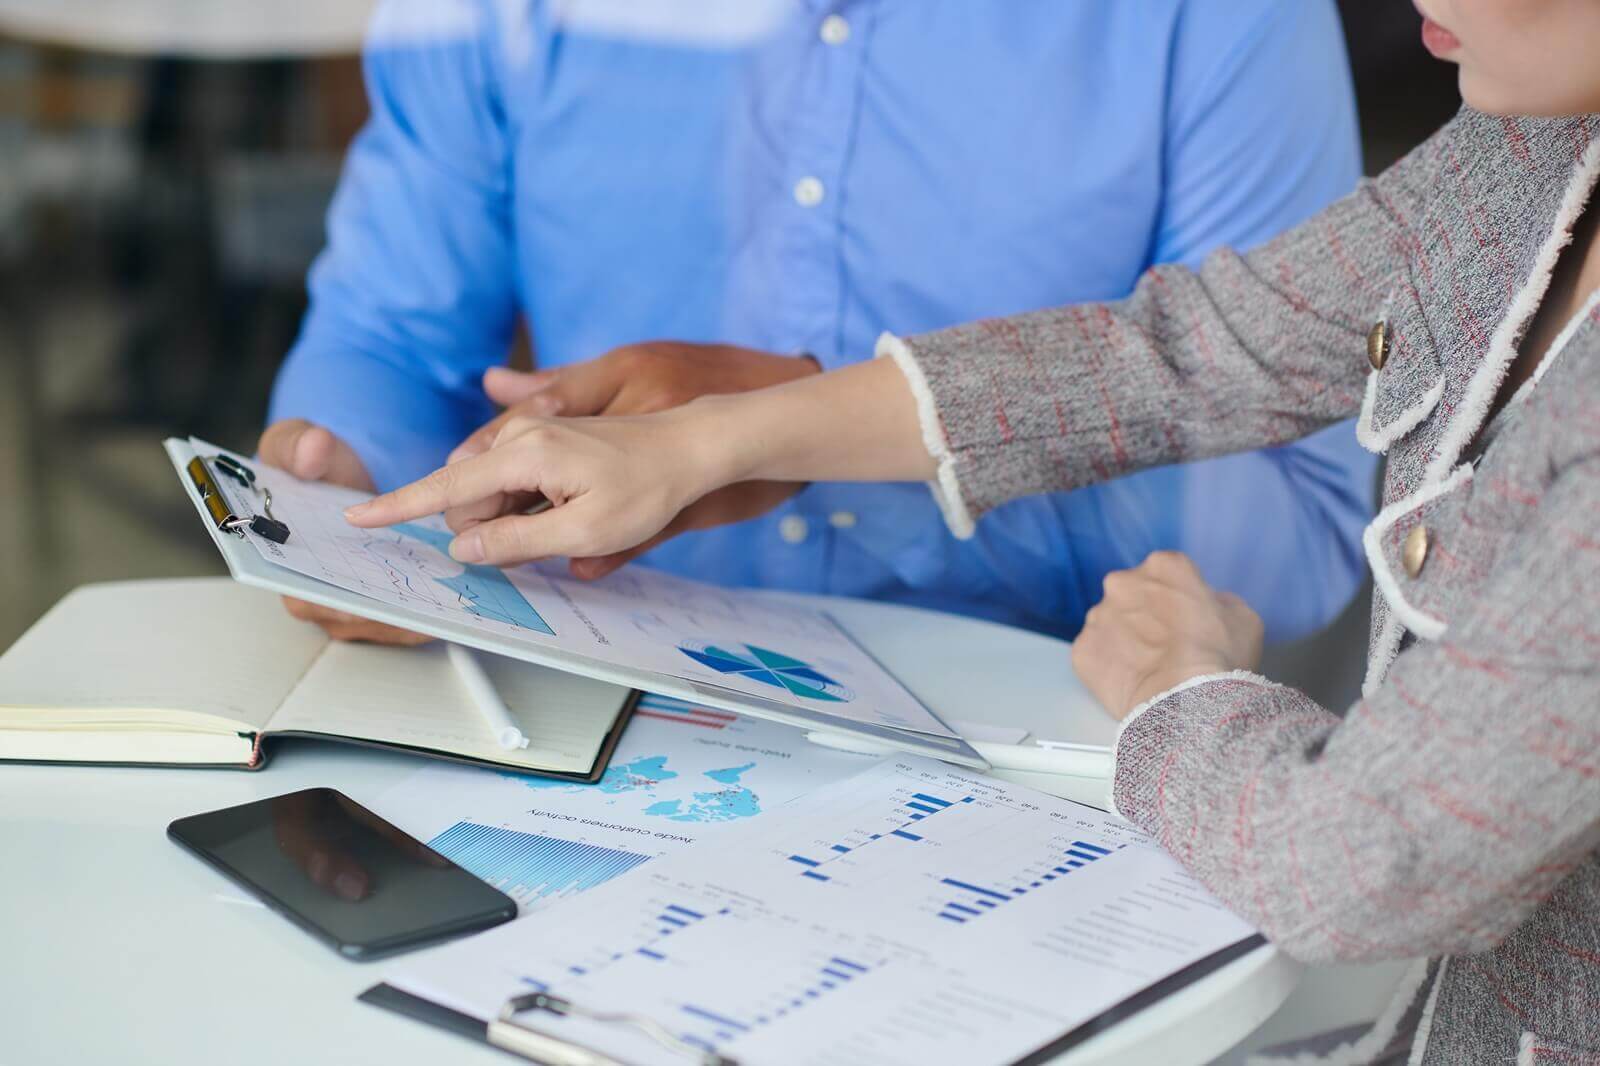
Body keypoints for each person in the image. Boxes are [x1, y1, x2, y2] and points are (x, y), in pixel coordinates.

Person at [347, 0, 1600, 1060]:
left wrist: (1185, 693)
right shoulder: (1528, 154)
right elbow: (1185, 347)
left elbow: (1364, 866)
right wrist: (716, 439)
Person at [262, 0, 1375, 645]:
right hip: (581, 714)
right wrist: (362, 504)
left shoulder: (1221, 16)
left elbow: (1299, 520)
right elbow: (386, 344)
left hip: (1033, 779)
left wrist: (803, 443)